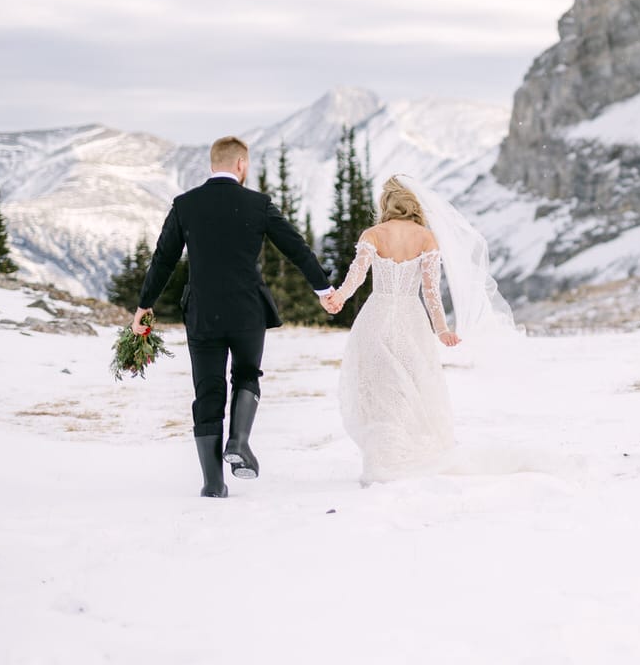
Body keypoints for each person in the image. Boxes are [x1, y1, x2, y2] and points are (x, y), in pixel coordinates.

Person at [134, 136, 338, 498]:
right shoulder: (258, 204)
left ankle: (213, 483)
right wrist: (323, 291)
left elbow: (163, 259)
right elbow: (296, 247)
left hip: (202, 313)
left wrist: (144, 305)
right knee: (246, 374)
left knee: (207, 389)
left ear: (213, 165)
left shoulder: (185, 205)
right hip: (247, 311)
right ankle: (239, 442)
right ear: (241, 165)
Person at [327, 174, 520, 484]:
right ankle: (406, 453)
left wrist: (337, 298)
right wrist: (442, 329)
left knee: (379, 387)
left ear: (386, 202)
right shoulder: (426, 238)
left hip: (376, 316)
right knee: (411, 385)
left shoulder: (373, 235)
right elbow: (431, 292)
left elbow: (356, 278)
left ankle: (383, 457)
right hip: (411, 319)